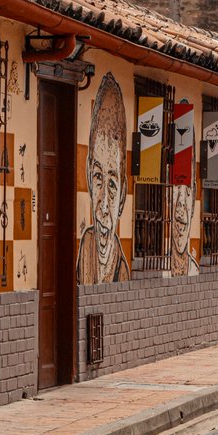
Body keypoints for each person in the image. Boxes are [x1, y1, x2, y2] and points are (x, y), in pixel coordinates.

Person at [77, 73, 130, 285]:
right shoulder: (85, 245)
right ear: (89, 180)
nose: (104, 205)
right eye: (98, 178)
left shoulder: (122, 272)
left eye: (113, 184)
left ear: (123, 197)